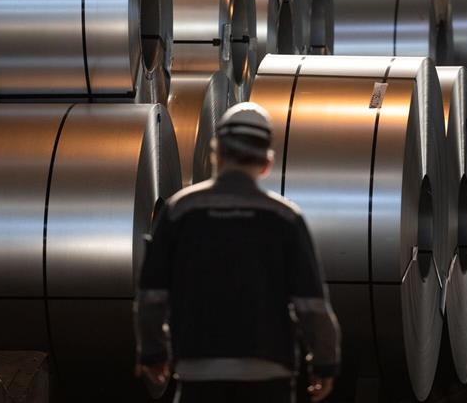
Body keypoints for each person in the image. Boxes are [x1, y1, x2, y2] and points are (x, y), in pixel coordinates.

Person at [134, 102, 341, 403]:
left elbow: (151, 295)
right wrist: (324, 363)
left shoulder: (180, 211)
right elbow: (311, 304)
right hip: (268, 373)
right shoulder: (285, 218)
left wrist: (153, 353)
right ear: (266, 163)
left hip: (198, 372)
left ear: (216, 154)